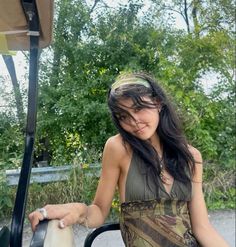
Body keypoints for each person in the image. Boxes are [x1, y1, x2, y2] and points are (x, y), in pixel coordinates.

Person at [29, 72, 229, 246]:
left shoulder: (191, 157)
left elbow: (202, 228)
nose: (134, 122)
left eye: (138, 108)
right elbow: (98, 211)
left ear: (158, 103)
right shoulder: (118, 148)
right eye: (123, 116)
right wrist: (79, 210)